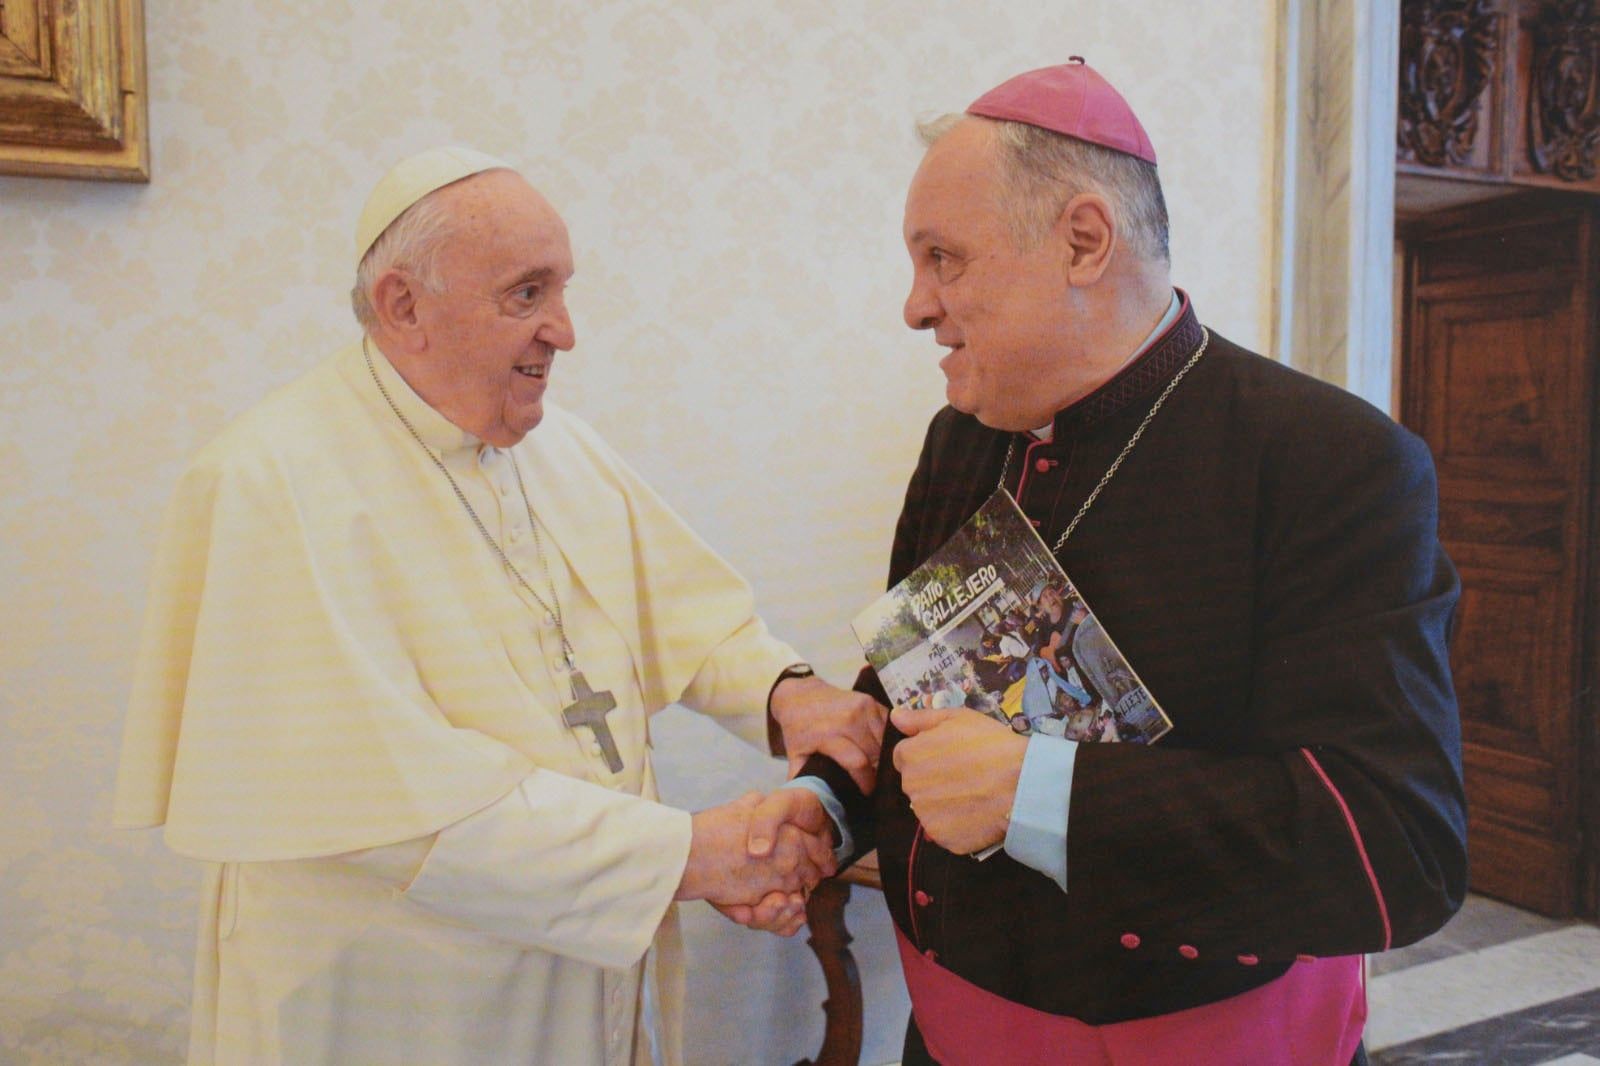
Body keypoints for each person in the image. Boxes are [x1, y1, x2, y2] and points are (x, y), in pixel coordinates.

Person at [750, 60, 1468, 1065]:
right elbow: (911, 687)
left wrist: (1039, 794)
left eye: (942, 258)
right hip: (952, 1034)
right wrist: (823, 804)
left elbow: (1397, 847)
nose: (915, 305)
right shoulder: (962, 440)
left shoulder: (1327, 460)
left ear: (1082, 240)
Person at [111, 146, 884, 1066]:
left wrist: (787, 693)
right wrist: (690, 855)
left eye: (561, 290)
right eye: (526, 295)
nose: (564, 330)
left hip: (580, 959)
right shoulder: (271, 484)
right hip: (399, 999)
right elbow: (391, 803)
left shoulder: (558, 448)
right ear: (404, 306)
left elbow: (683, 613)